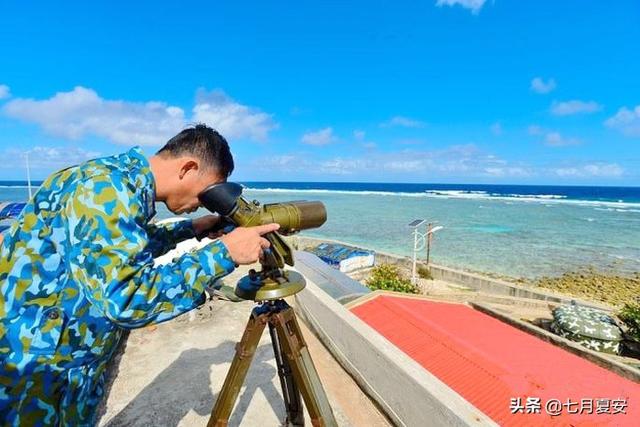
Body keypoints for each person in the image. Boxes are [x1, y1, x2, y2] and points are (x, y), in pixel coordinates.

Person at [0, 124, 278, 426]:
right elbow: (126, 299)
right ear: (188, 168)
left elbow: (121, 249)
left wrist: (192, 229)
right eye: (207, 193)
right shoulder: (106, 190)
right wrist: (223, 253)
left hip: (59, 356)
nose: (202, 203)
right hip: (39, 371)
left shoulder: (114, 180)